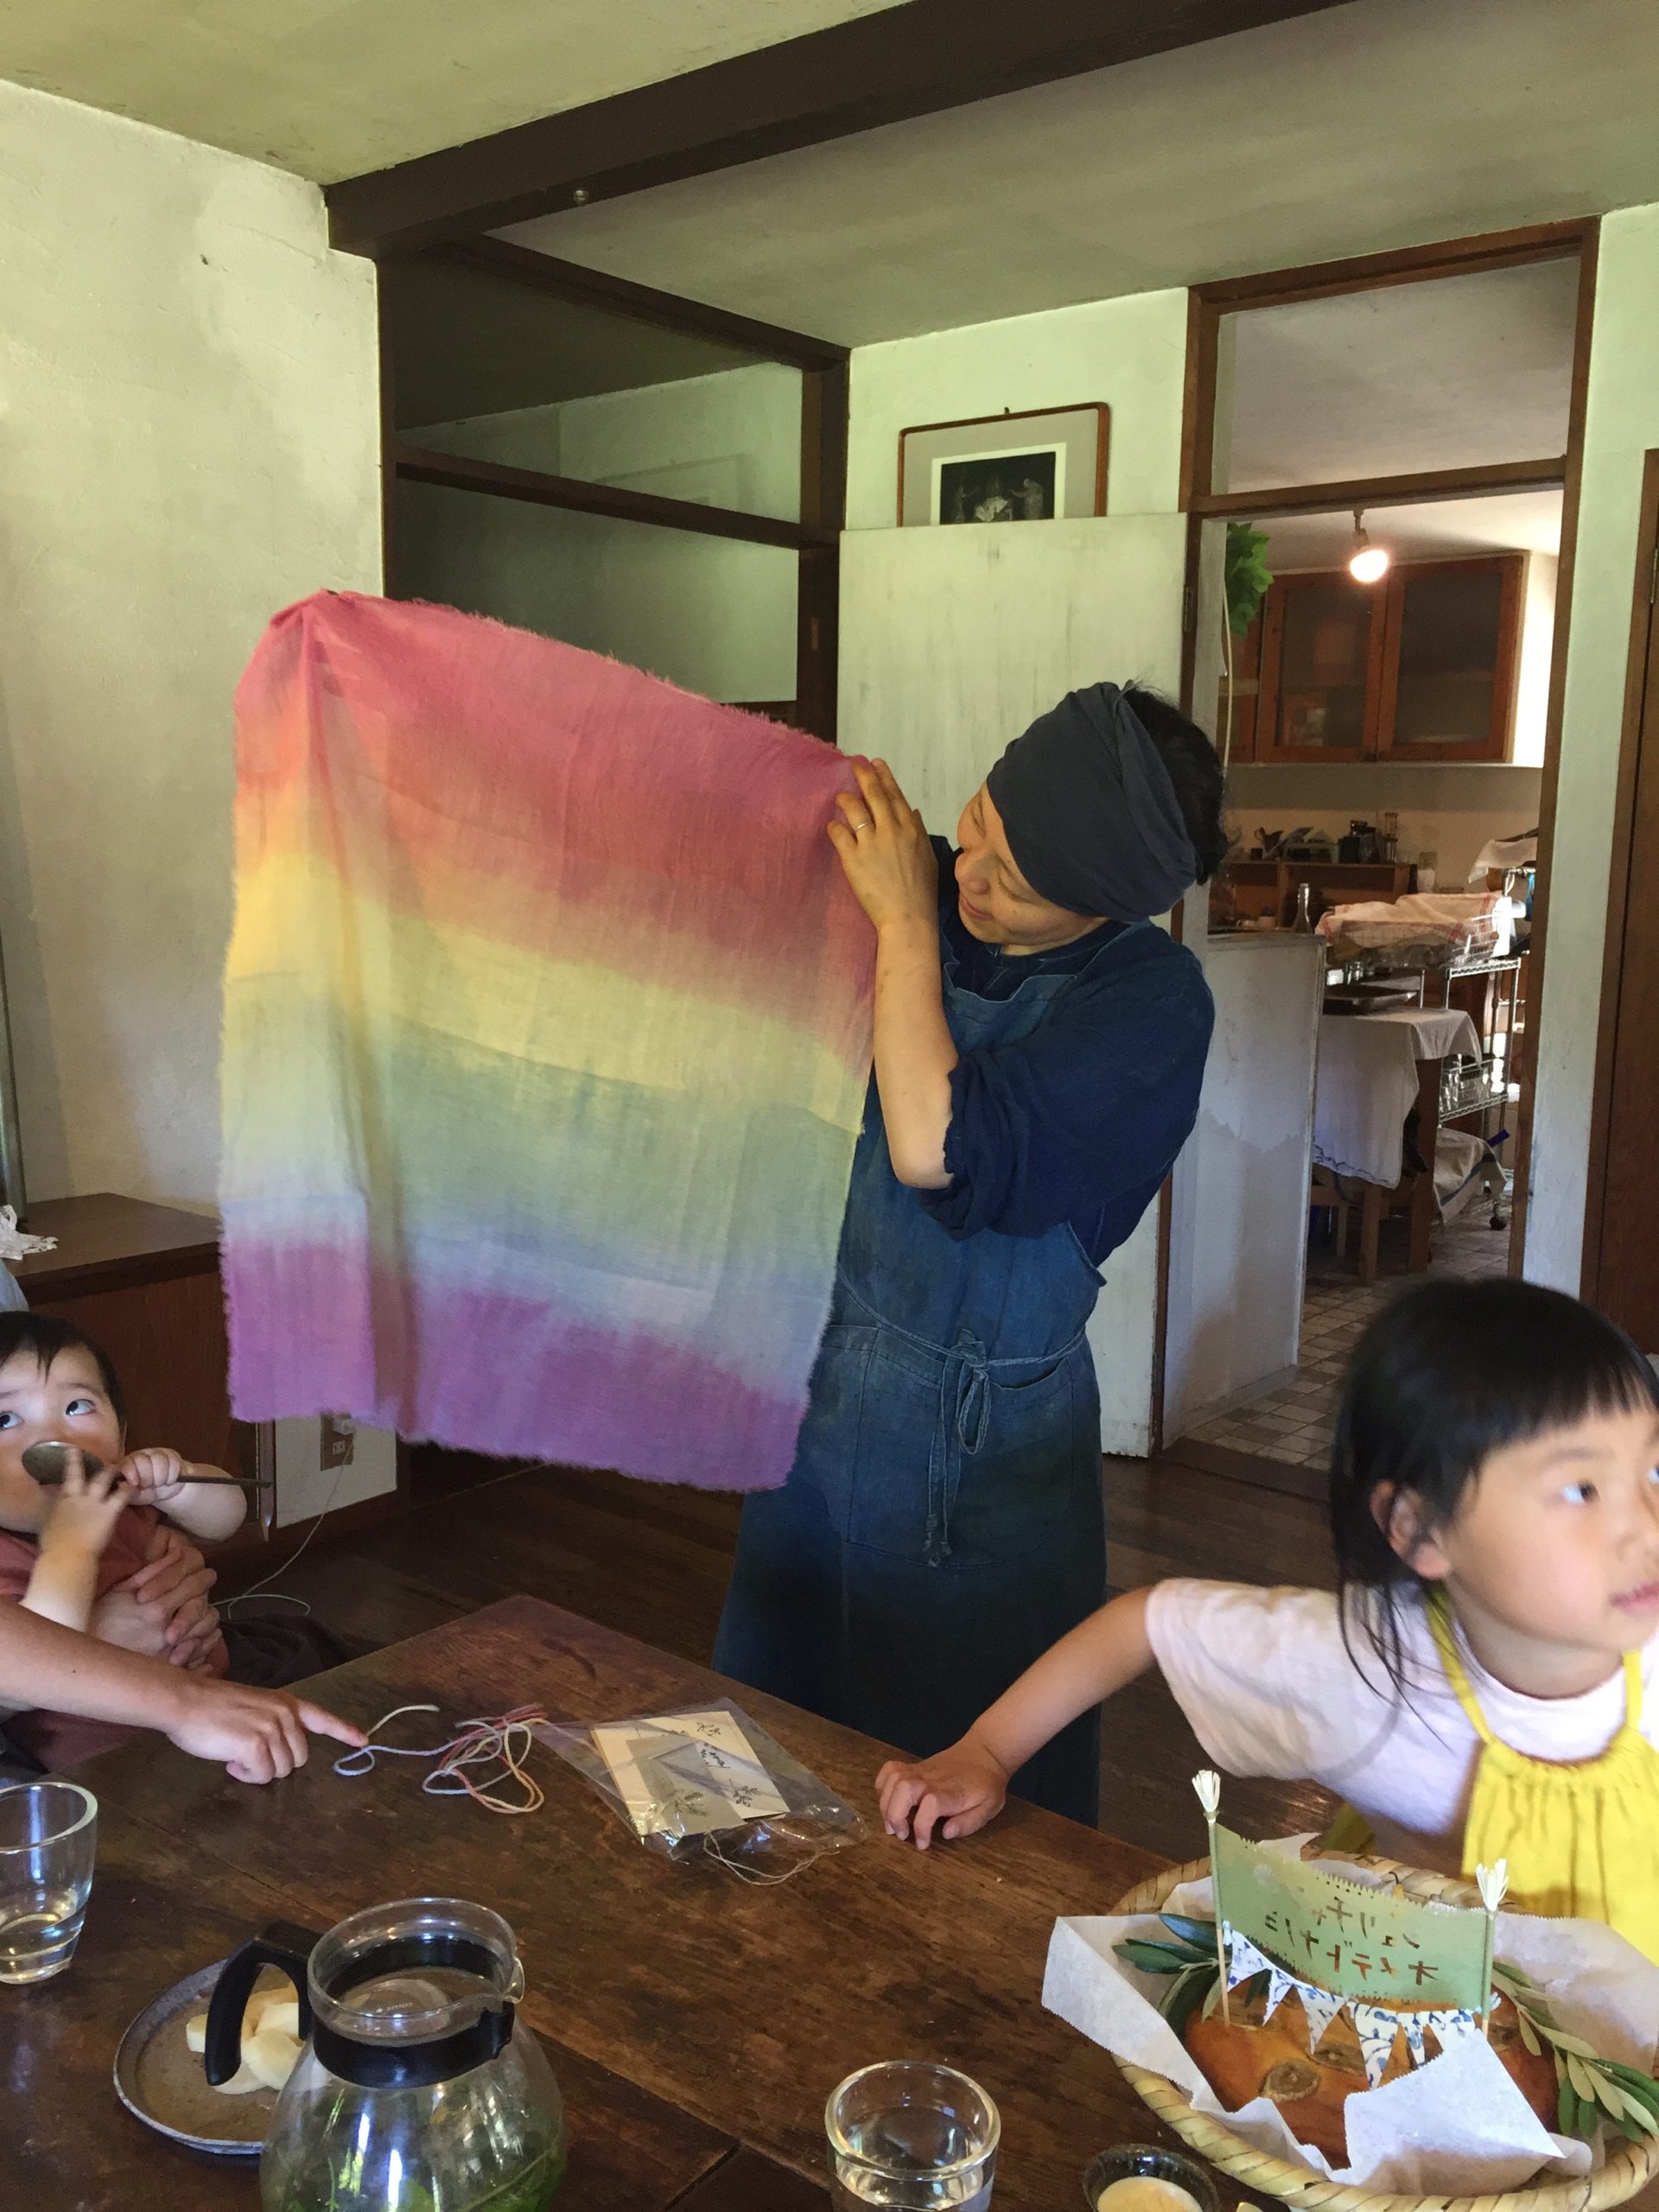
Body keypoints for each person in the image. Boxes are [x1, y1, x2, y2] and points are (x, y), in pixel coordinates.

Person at [715, 682, 1224, 1824]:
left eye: (1018, 884)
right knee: (766, 1762)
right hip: (818, 1410)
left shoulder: (1150, 1007)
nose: (970, 879)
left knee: (962, 1813)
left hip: (984, 1468)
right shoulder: (920, 874)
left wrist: (903, 927)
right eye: (980, 821)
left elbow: (933, 1148)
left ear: (1102, 907)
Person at [874, 1278, 1659, 1962]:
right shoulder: (1366, 1672)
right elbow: (1149, 1621)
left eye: (1654, 1469)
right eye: (1582, 1490)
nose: (1647, 1526)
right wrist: (987, 1750)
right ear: (1421, 1530)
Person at [0, 1312, 335, 1768]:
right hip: (110, 1755)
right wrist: (70, 1548)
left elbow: (227, 1519)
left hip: (224, 1687)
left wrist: (182, 1484)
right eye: (5, 1419)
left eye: (77, 1407)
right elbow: (42, 1654)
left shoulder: (120, 1500)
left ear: (121, 1430)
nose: (54, 1437)